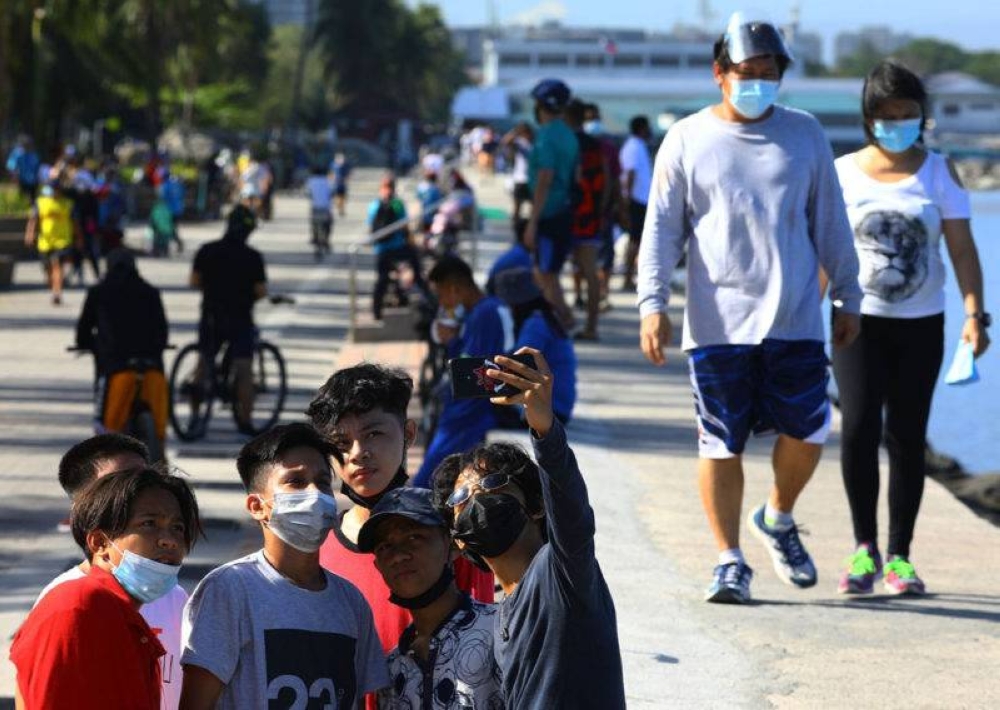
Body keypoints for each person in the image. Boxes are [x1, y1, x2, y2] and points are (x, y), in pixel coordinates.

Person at [637, 12, 863, 604]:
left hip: (795, 317)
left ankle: (778, 516)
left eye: (770, 73)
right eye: (747, 72)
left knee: (810, 431)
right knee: (720, 443)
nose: (758, 82)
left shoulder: (806, 133)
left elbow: (831, 221)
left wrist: (848, 292)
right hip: (716, 322)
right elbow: (661, 229)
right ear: (720, 73)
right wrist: (651, 303)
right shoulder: (687, 138)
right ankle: (729, 559)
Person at [831, 60, 991, 596]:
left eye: (907, 114)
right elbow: (827, 251)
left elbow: (962, 248)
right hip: (857, 322)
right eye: (886, 114)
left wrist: (975, 314)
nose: (897, 123)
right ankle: (863, 550)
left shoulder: (939, 172)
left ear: (922, 116)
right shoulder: (843, 172)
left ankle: (899, 556)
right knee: (856, 430)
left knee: (905, 437)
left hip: (921, 325)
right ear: (868, 117)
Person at [430, 347, 625, 708]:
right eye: (461, 496)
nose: (476, 497)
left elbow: (572, 513)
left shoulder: (562, 571)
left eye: (492, 484)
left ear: (536, 506)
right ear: (457, 538)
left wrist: (544, 428)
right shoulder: (501, 612)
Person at [307, 364, 494, 697]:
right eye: (341, 443)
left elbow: (478, 650)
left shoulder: (450, 538)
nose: (357, 453)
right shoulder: (317, 552)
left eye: (373, 434)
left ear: (409, 434)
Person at [180, 423, 388, 708]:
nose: (315, 493)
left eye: (323, 481)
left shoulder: (351, 602)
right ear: (257, 506)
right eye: (296, 482)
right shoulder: (229, 590)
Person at [11, 466, 201, 710]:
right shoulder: (78, 606)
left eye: (178, 527)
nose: (170, 540)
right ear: (100, 542)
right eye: (149, 523)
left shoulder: (124, 615)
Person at [357, 488, 502, 708]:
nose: (398, 555)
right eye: (385, 546)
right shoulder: (391, 669)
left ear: (452, 545)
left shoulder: (500, 632)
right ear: (377, 565)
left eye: (414, 537)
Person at [414, 255, 515, 487]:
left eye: (441, 295)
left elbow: (477, 371)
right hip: (471, 406)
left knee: (433, 471)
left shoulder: (485, 313)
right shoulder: (481, 312)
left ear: (454, 288)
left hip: (472, 410)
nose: (442, 304)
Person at [76, 248, 170, 456]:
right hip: (152, 369)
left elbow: (83, 331)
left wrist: (89, 344)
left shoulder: (98, 292)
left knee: (105, 431)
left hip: (116, 370)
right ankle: (162, 469)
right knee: (161, 430)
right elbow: (163, 332)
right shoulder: (151, 292)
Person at [189, 204, 266, 434]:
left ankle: (194, 416)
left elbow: (194, 281)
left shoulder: (207, 250)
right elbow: (261, 291)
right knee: (244, 369)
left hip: (211, 317)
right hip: (240, 319)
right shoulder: (253, 257)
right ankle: (245, 420)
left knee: (203, 364)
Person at [524, 78, 580, 330]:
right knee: (549, 272)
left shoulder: (546, 135)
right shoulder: (569, 134)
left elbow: (544, 178)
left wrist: (532, 222)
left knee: (545, 273)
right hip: (565, 210)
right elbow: (575, 176)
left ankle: (564, 320)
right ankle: (558, 320)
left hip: (548, 213)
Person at [495, 267, 577, 424]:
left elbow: (518, 363)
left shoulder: (536, 323)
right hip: (558, 406)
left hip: (552, 410)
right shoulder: (545, 317)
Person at [565, 98, 612, 340]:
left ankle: (564, 322)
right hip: (591, 217)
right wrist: (600, 210)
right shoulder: (596, 145)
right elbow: (606, 182)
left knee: (547, 271)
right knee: (590, 272)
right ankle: (591, 326)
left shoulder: (568, 143)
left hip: (568, 216)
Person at [582, 102, 625, 313]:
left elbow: (615, 180)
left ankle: (602, 293)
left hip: (602, 212)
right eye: (590, 119)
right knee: (584, 259)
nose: (593, 123)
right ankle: (586, 295)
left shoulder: (607, 147)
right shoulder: (578, 145)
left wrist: (619, 206)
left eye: (595, 118)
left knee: (604, 258)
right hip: (582, 213)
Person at [367, 174, 428, 321]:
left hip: (381, 250)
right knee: (415, 264)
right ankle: (424, 293)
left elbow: (371, 226)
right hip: (397, 248)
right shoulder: (398, 204)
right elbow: (405, 226)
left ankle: (376, 311)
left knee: (382, 279)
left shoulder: (374, 205)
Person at [24, 177, 81, 305]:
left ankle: (57, 293)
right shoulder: (40, 203)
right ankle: (52, 284)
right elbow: (33, 220)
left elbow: (76, 223)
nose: (54, 191)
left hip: (63, 240)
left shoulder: (68, 204)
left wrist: (78, 238)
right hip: (45, 242)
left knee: (57, 265)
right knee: (48, 268)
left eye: (56, 189)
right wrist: (29, 234)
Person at [619, 115, 653, 292]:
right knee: (634, 240)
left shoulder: (639, 145)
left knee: (638, 240)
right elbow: (630, 174)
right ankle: (627, 277)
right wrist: (626, 202)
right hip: (636, 200)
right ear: (641, 128)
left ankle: (630, 276)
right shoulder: (633, 146)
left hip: (642, 200)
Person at [485, 217, 533, 297]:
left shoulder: (518, 251)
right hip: (498, 296)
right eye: (535, 233)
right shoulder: (521, 256)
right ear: (525, 235)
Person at [502, 122, 535, 222]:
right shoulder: (519, 142)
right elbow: (505, 141)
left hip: (532, 179)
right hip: (520, 179)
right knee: (517, 207)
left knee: (533, 207)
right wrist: (515, 131)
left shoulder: (536, 143)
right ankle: (516, 228)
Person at [305, 163, 334, 258]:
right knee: (327, 224)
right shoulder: (327, 181)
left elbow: (308, 193)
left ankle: (315, 238)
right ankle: (325, 240)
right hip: (326, 207)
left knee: (314, 224)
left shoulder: (310, 181)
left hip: (315, 207)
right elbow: (332, 192)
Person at [6, 136, 41, 201]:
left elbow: (37, 167)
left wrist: (38, 178)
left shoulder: (33, 154)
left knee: (33, 199)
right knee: (21, 199)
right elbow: (11, 166)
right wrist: (14, 176)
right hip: (21, 180)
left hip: (33, 181)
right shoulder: (17, 153)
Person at [331, 152, 352, 217]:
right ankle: (340, 208)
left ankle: (341, 209)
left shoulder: (345, 165)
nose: (341, 160)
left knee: (343, 198)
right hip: (337, 184)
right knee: (338, 197)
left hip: (342, 184)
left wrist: (347, 179)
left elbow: (348, 174)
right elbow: (331, 173)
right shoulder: (334, 165)